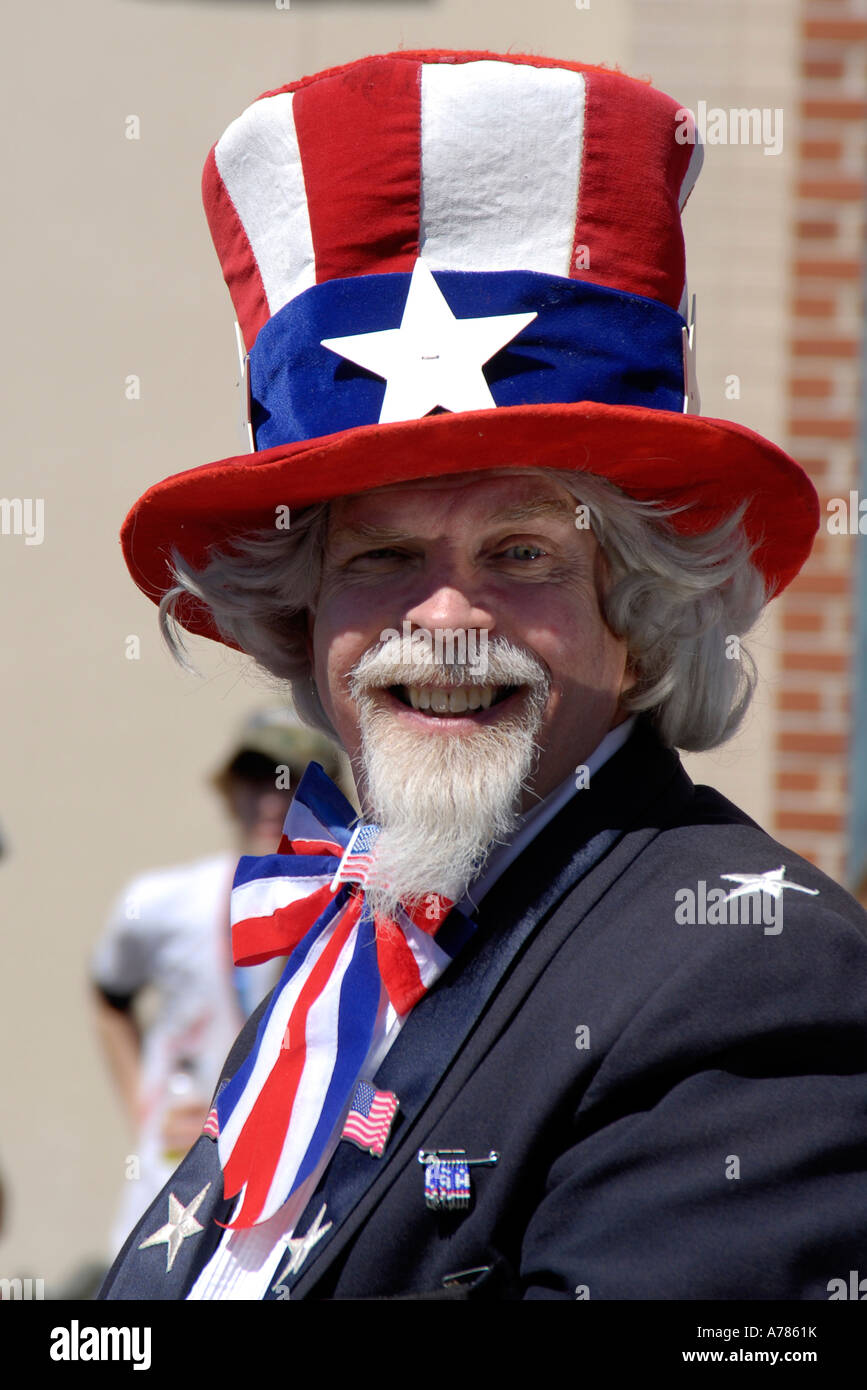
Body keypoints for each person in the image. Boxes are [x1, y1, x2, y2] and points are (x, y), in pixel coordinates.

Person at [100, 50, 867, 1300]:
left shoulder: (754, 973)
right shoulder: (356, 944)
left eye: (521, 552)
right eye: (383, 555)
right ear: (306, 623)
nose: (444, 617)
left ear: (637, 605)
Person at [92, 709, 346, 1253]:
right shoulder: (160, 903)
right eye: (257, 776)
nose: (274, 798)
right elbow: (109, 993)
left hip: (292, 1192)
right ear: (230, 789)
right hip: (173, 1192)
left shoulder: (356, 912)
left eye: (297, 780)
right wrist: (147, 1102)